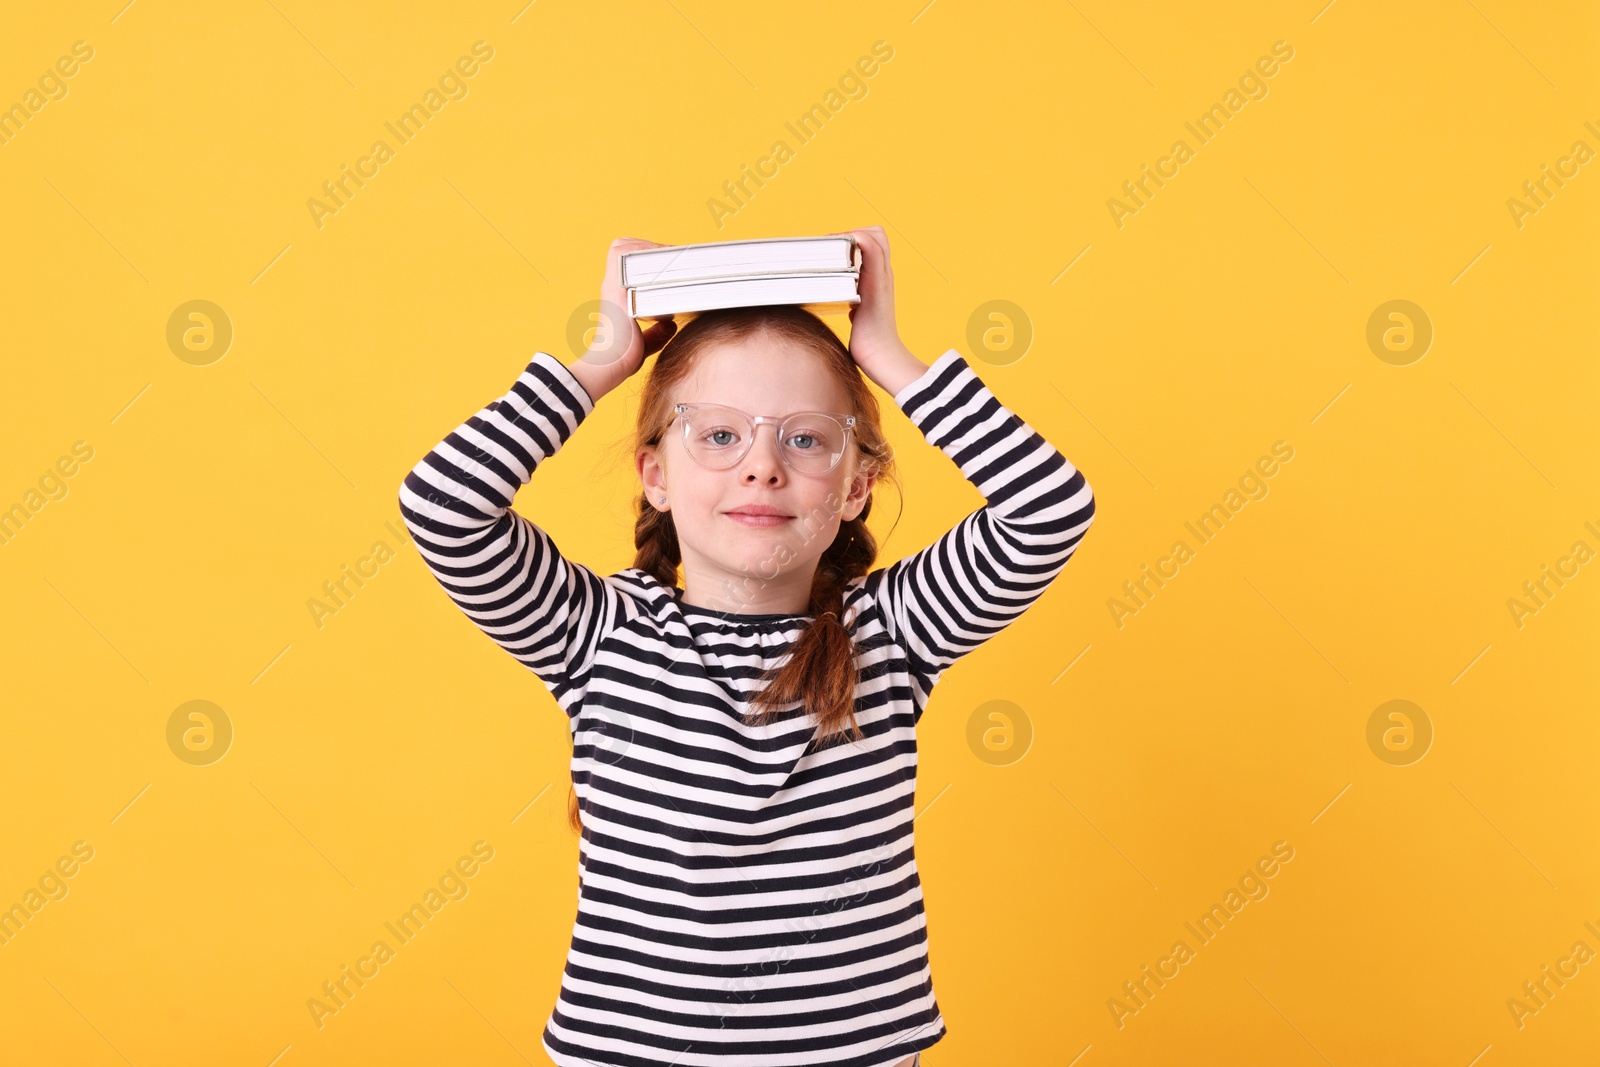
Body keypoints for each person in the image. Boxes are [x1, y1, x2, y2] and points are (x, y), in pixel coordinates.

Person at [398, 226, 1097, 1066]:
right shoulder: (598, 632)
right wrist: (602, 360)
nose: (762, 466)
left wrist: (887, 355)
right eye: (719, 435)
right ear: (655, 474)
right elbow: (442, 505)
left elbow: (1050, 508)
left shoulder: (893, 632)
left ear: (856, 485)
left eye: (805, 438)